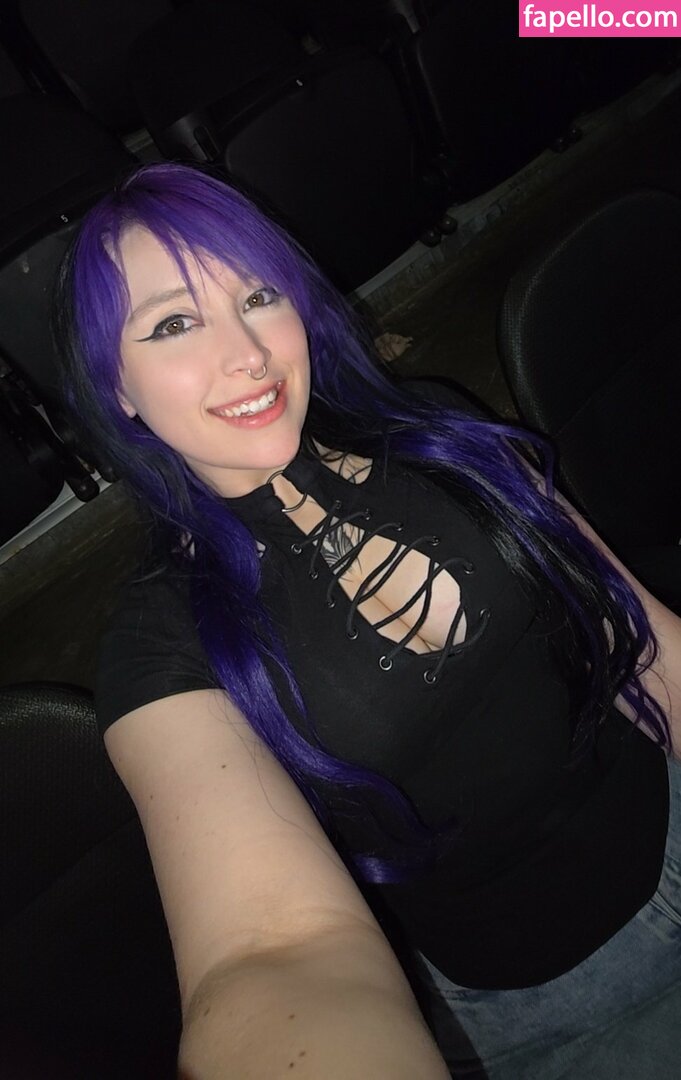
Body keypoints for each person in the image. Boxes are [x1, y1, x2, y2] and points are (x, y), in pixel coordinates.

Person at [54, 162, 681, 1079]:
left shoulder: (437, 432)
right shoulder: (159, 654)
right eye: (175, 323)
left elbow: (647, 641)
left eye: (257, 296)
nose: (248, 353)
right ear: (117, 385)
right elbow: (269, 949)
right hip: (555, 1012)